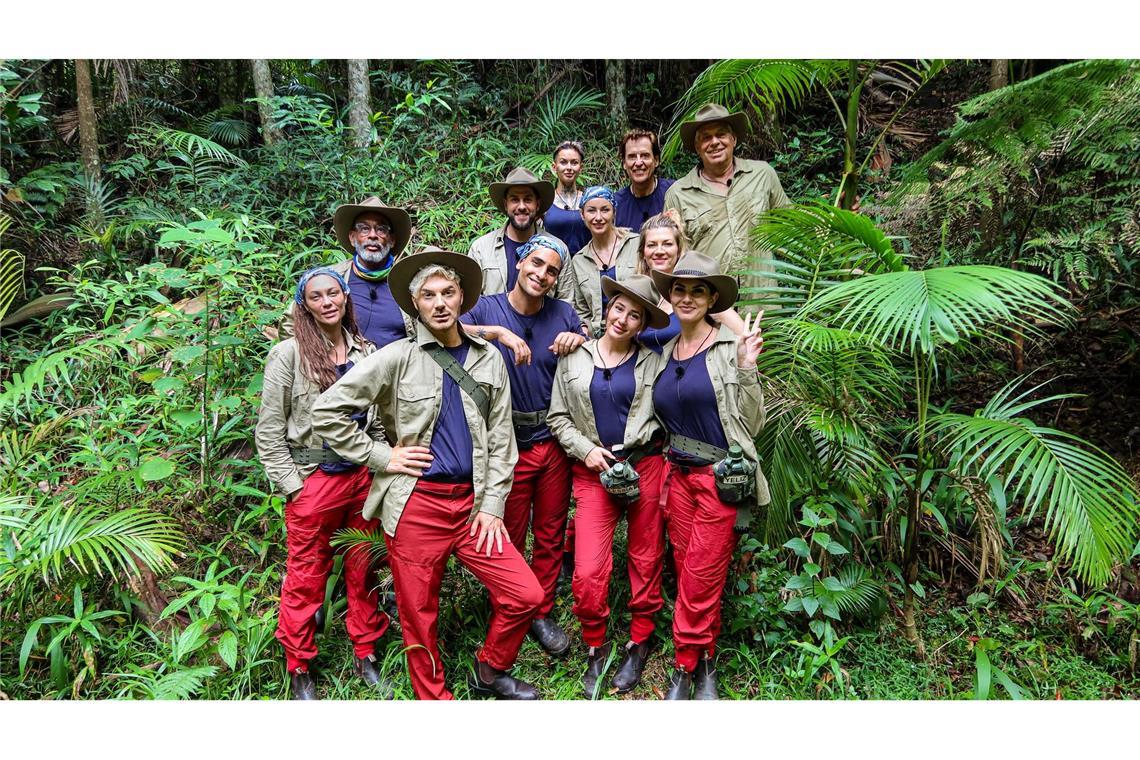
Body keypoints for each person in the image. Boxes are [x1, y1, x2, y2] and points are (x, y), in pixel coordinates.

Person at [311, 248, 545, 701]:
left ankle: (490, 670)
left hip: (475, 507)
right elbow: (328, 411)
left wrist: (493, 505)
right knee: (419, 613)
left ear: (462, 299)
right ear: (415, 304)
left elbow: (501, 441)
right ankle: (434, 700)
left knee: (526, 595)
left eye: (448, 293)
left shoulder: (489, 359)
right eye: (428, 295)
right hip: (418, 504)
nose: (439, 303)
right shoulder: (395, 358)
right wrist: (381, 456)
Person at [255, 267, 392, 701]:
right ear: (305, 304)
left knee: (363, 565)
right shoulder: (288, 354)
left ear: (346, 297)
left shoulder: (366, 350)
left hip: (361, 478)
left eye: (334, 292)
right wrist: (293, 486)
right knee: (306, 572)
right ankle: (299, 665)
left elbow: (379, 417)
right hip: (314, 478)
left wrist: (380, 467)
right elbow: (269, 429)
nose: (328, 301)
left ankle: (365, 650)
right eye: (317, 296)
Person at [647, 251, 770, 700]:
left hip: (718, 479)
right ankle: (708, 661)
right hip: (675, 476)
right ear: (670, 296)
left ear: (711, 298)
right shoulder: (662, 351)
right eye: (679, 289)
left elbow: (752, 423)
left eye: (697, 290)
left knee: (700, 575)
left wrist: (748, 367)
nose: (687, 297)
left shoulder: (725, 347)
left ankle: (684, 666)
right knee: (692, 572)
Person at [460, 234, 587, 657]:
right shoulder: (488, 308)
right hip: (506, 442)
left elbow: (593, 353)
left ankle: (540, 609)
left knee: (550, 531)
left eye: (551, 270)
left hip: (550, 440)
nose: (542, 274)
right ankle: (509, 603)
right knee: (507, 532)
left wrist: (579, 341)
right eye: (535, 264)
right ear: (519, 263)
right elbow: (448, 328)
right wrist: (496, 332)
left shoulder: (564, 313)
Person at [547, 274, 671, 697]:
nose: (623, 318)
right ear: (606, 310)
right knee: (587, 571)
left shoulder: (653, 362)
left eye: (634, 315)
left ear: (643, 325)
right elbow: (558, 418)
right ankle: (596, 645)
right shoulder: (573, 357)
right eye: (618, 308)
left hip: (645, 466)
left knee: (645, 556)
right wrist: (585, 451)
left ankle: (640, 637)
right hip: (593, 471)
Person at [663, 103, 792, 303]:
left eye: (721, 134)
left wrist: (836, 213)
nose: (714, 142)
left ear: (734, 139)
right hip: (709, 310)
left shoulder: (762, 174)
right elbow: (671, 255)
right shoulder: (678, 193)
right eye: (706, 137)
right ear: (697, 147)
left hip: (763, 305)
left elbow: (792, 224)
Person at [281, 197, 414, 347]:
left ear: (392, 240)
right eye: (364, 229)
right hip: (342, 369)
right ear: (352, 237)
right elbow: (290, 325)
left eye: (381, 229)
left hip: (397, 369)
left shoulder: (407, 283)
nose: (372, 235)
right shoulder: (329, 279)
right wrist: (314, 359)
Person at [635, 211, 747, 354]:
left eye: (667, 244)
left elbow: (743, 336)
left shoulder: (697, 293)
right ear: (643, 252)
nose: (659, 251)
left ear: (678, 249)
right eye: (651, 245)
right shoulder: (637, 292)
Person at [467, 166, 572, 300]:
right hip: (491, 321)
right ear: (506, 204)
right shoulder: (481, 249)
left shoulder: (558, 249)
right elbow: (470, 303)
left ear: (537, 204)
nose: (521, 207)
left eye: (528, 199)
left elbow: (566, 302)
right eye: (515, 200)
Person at [567, 185, 641, 335]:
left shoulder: (636, 244)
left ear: (614, 212)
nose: (598, 217)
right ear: (582, 214)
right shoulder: (579, 261)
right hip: (597, 339)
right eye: (591, 210)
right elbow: (582, 310)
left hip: (636, 333)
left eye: (605, 210)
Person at [614, 128, 675, 232]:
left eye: (645, 156)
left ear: (656, 160)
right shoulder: (615, 204)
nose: (638, 163)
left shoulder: (674, 192)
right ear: (624, 163)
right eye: (632, 157)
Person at [542, 141, 591, 255]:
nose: (569, 167)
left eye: (574, 163)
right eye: (563, 162)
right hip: (554, 266)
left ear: (581, 167)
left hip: (586, 266)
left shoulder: (589, 201)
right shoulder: (545, 202)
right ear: (554, 167)